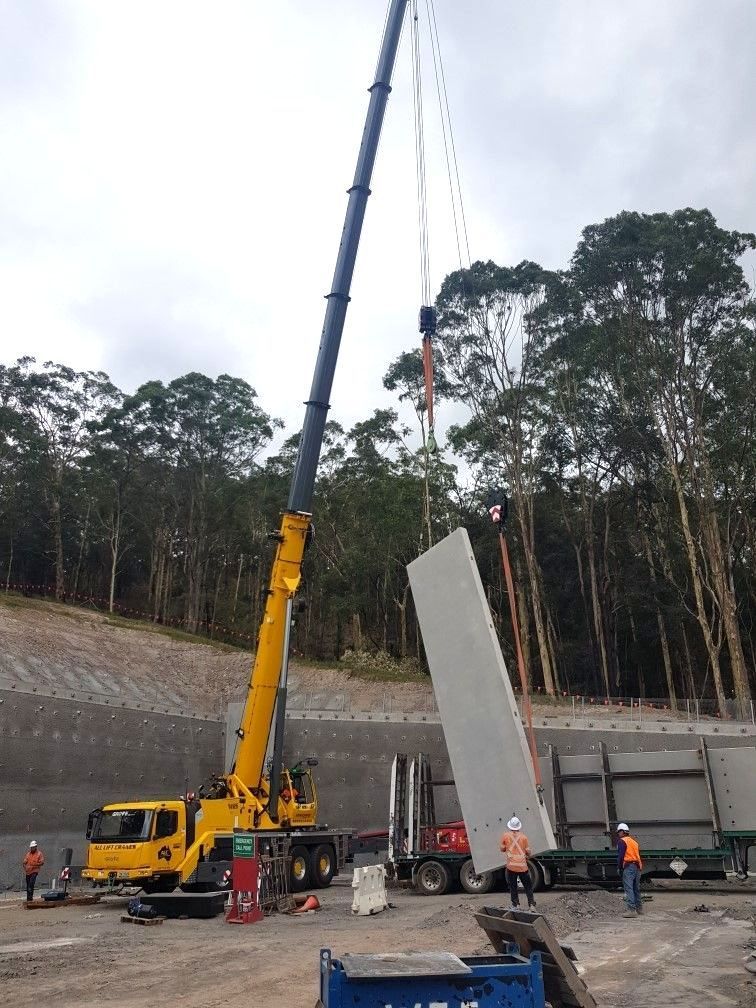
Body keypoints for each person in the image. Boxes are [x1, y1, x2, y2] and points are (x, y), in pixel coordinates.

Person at [500, 816, 536, 911]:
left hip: (511, 866)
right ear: (519, 826)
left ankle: (516, 905)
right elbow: (528, 852)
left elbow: (502, 849)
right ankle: (531, 905)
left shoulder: (505, 836)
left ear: (510, 826)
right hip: (523, 867)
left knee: (513, 886)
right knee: (528, 886)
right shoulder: (524, 837)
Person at [617, 822, 643, 917]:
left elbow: (621, 856)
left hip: (628, 866)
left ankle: (631, 910)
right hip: (637, 866)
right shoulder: (634, 842)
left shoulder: (622, 841)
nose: (618, 834)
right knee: (636, 888)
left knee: (629, 888)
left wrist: (620, 868)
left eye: (619, 832)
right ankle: (639, 909)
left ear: (623, 832)